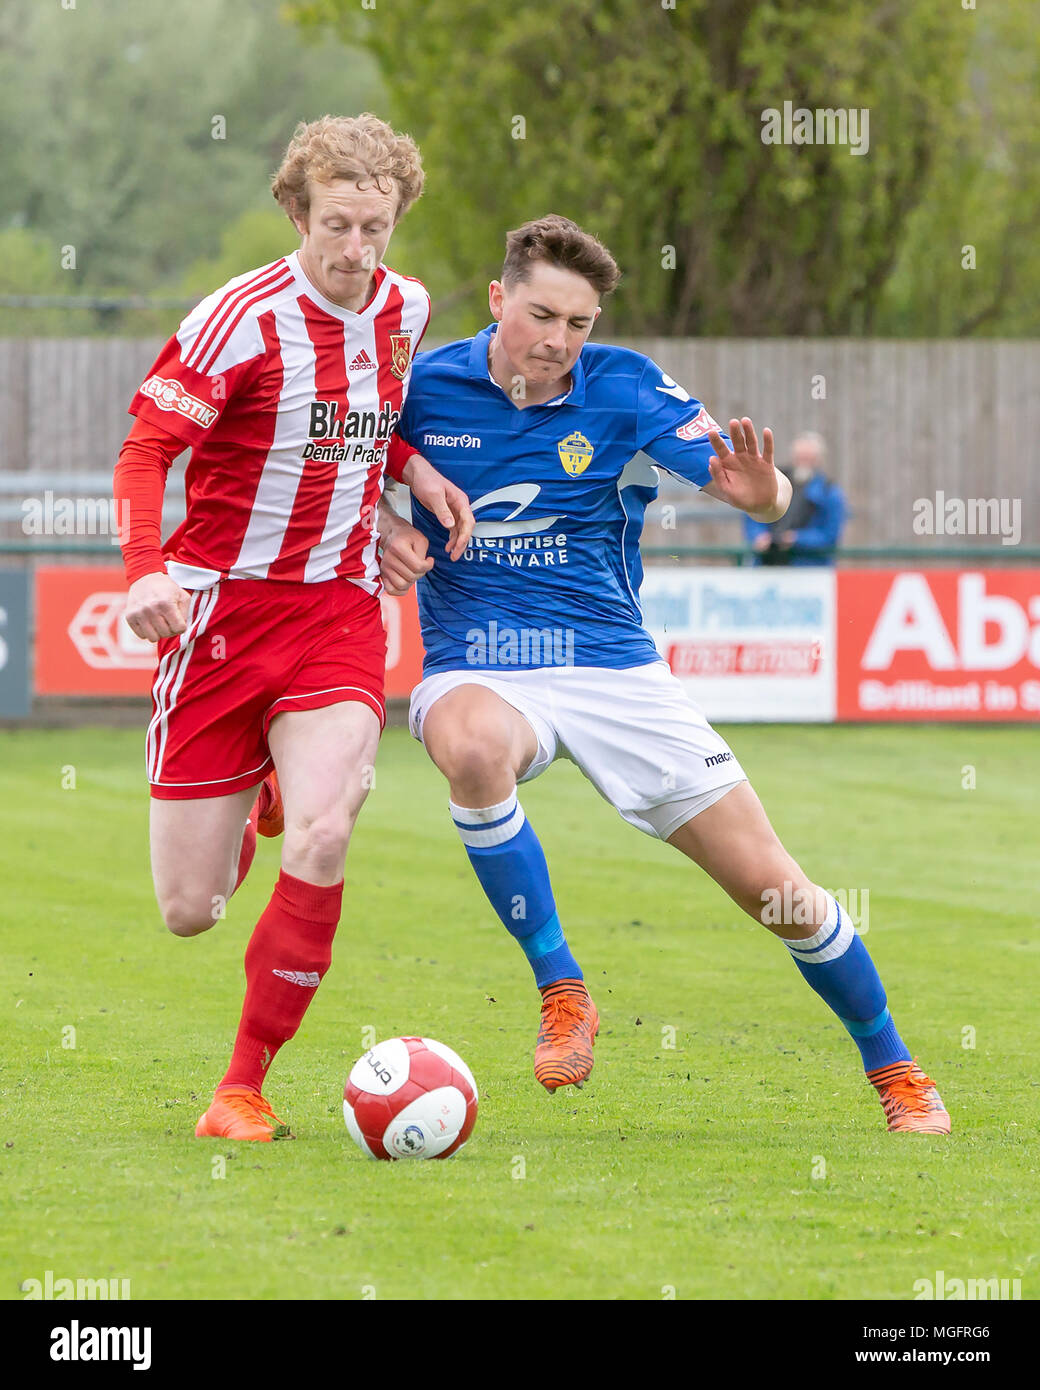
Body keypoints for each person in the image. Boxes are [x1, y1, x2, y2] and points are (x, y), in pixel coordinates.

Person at [376, 215, 949, 1134]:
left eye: (580, 324)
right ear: (497, 298)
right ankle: (562, 988)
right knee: (473, 750)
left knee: (778, 892)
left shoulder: (627, 388)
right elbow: (336, 468)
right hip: (480, 662)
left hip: (614, 669)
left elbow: (743, 485)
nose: (559, 341)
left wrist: (767, 494)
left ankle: (896, 1068)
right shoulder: (420, 386)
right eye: (541, 314)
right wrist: (386, 526)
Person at [113, 114, 473, 1142]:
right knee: (190, 909)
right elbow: (146, 456)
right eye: (338, 225)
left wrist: (407, 480)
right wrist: (144, 573)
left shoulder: (404, 306)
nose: (358, 251)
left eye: (378, 226)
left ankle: (242, 1087)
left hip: (336, 612)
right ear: (297, 212)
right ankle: (254, 783)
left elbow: (379, 413)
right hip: (221, 617)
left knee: (325, 828)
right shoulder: (239, 319)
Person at [743, 432, 846, 564]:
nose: (803, 462)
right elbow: (755, 512)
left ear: (818, 460)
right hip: (768, 562)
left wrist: (796, 539)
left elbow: (830, 535)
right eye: (799, 457)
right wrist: (759, 536)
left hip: (807, 566)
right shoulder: (776, 483)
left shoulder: (829, 492)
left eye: (808, 458)